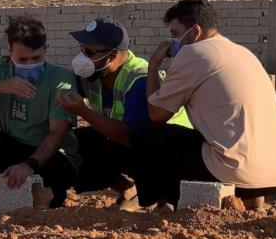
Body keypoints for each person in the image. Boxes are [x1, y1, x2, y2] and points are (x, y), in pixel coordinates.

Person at [131, 0, 276, 210]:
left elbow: (157, 114)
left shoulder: (194, 53)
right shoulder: (243, 52)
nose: (173, 43)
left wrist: (153, 65)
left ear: (195, 32)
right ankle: (255, 204)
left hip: (231, 172)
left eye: (176, 35)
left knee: (145, 132)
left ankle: (161, 203)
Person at [57, 17, 191, 209]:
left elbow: (131, 136)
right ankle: (128, 190)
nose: (83, 58)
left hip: (172, 151)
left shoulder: (139, 79)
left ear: (113, 55)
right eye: (82, 49)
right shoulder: (93, 75)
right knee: (77, 142)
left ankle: (165, 200)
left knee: (143, 146)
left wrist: (83, 111)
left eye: (90, 52)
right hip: (129, 144)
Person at [0, 15, 80, 210]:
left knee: (54, 180)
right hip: (14, 146)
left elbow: (58, 132)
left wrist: (29, 164)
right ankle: (1, 201)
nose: (30, 64)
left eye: (36, 58)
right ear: (10, 53)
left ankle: (45, 196)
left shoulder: (59, 78)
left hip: (48, 155)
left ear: (45, 51)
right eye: (23, 59)